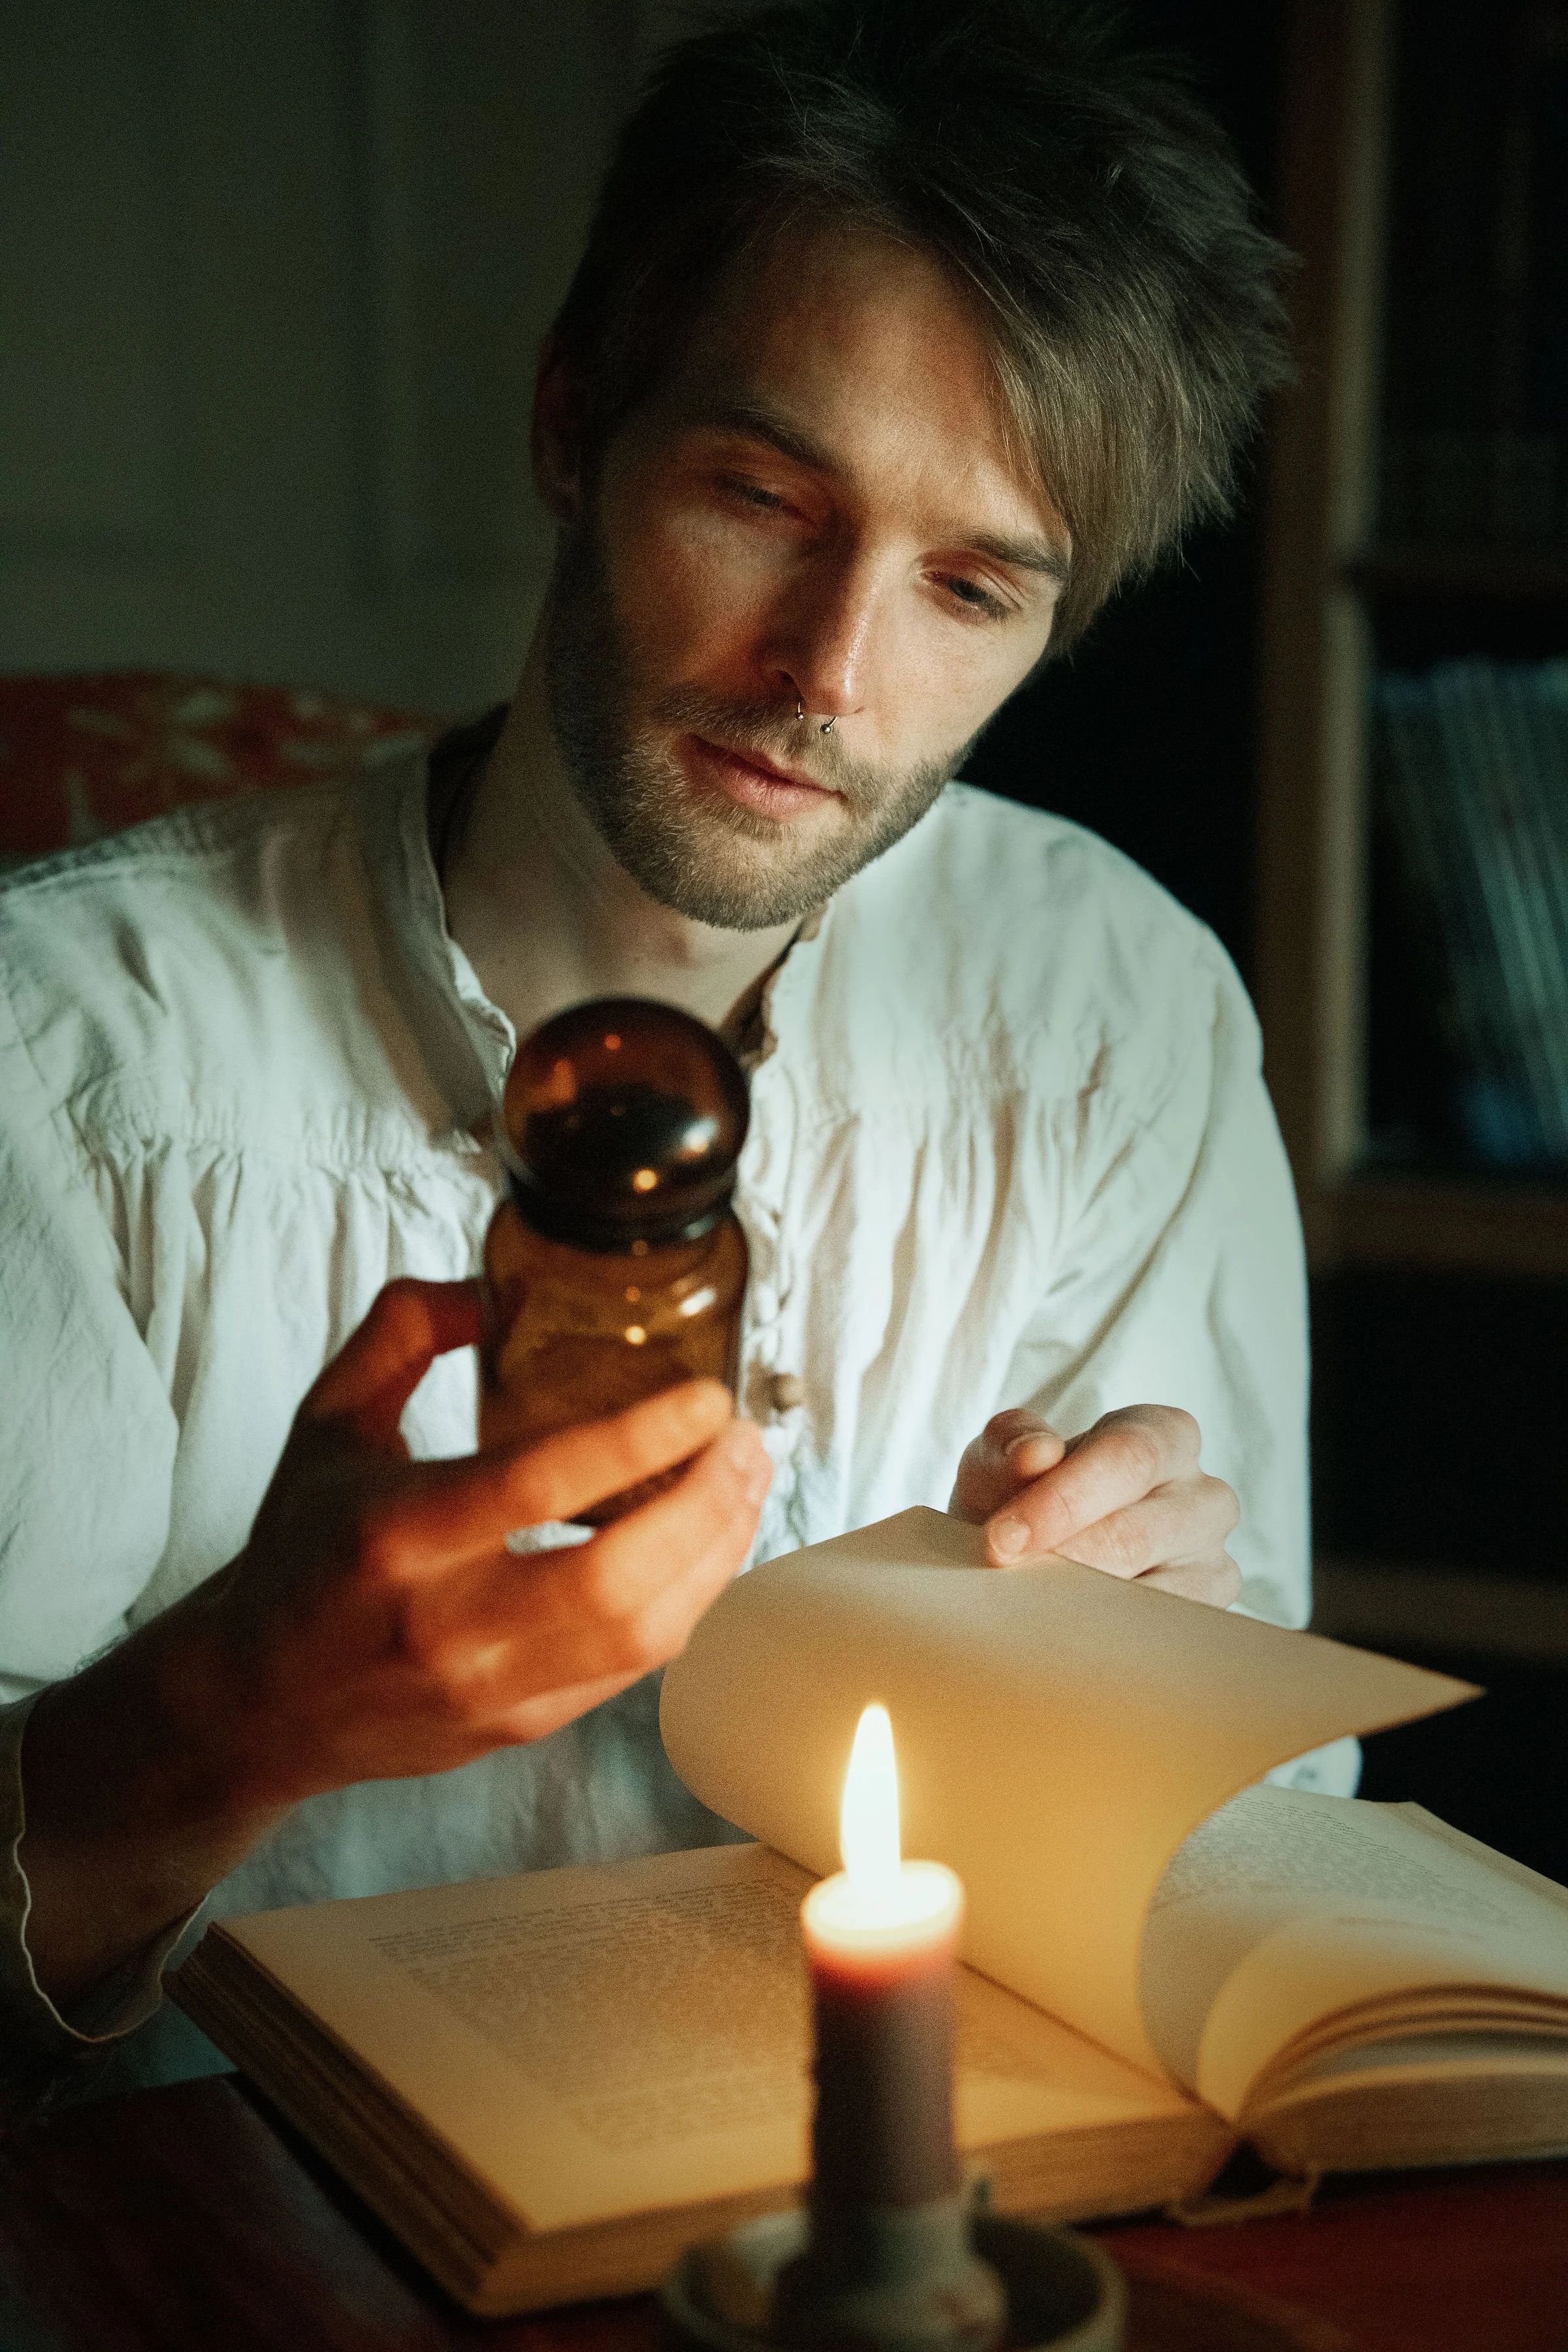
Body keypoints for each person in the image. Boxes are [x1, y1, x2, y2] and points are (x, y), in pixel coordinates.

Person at [0, 0, 1355, 2104]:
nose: (828, 673)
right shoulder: (63, 1060)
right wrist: (226, 1718)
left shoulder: (1114, 1008)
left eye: (970, 588)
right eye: (759, 492)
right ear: (571, 427)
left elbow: (1257, 1865)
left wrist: (1149, 1687)